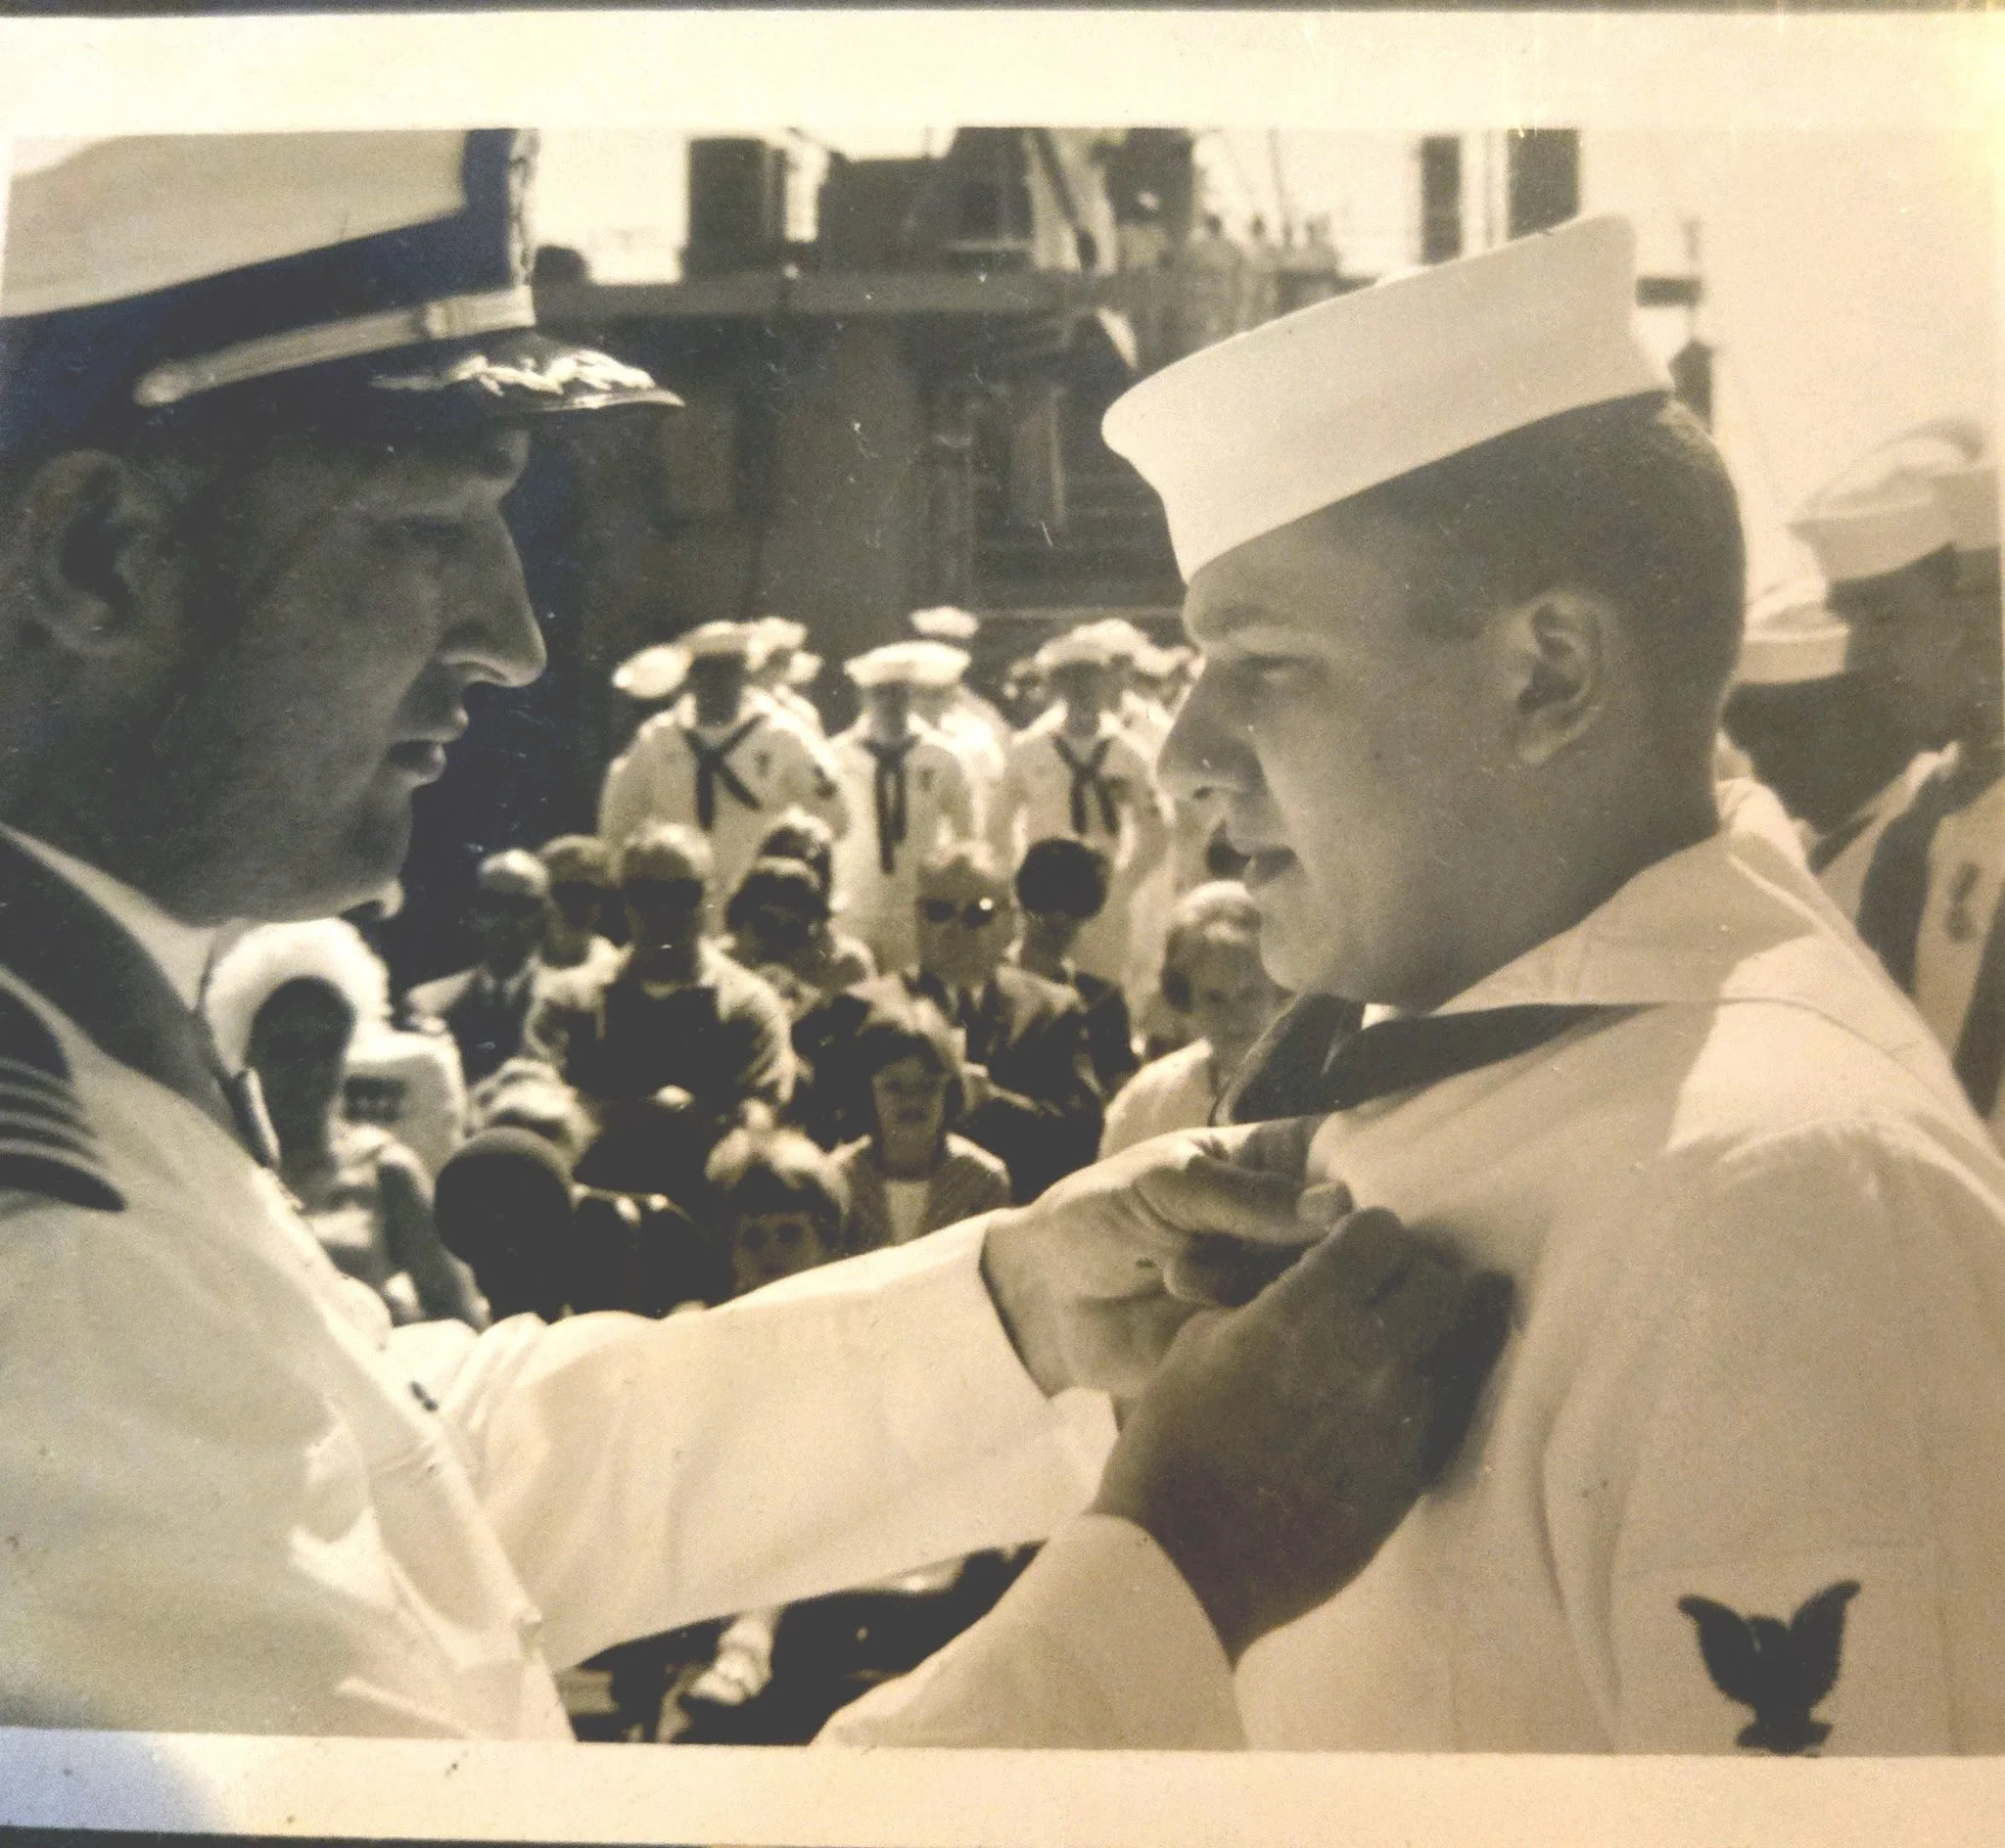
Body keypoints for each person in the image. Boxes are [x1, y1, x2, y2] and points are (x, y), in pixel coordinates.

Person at [0, 130, 1504, 1738]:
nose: (512, 636)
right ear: (105, 559)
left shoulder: (86, 1061)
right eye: (425, 529)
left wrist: (1016, 1316)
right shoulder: (50, 1269)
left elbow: (401, 1472)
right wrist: (1180, 1576)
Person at [825, 215, 2005, 1752]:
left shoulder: (1784, 1203)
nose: (1182, 758)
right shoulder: (1444, 1061)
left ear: (1549, 677)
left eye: (1263, 665)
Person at [1795, 426, 2005, 1139]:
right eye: (1853, 621)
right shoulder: (1910, 824)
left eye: (1884, 616)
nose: (1855, 656)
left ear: (1980, 613)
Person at [208, 919, 487, 1327]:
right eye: (287, 1049)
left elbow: (458, 1317)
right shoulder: (224, 1167)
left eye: (328, 1048)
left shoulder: (386, 1171)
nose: (311, 1071)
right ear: (249, 1053)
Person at [796, 843, 1105, 1200]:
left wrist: (994, 1103)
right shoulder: (860, 1010)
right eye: (938, 911)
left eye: (979, 913)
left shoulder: (1051, 1011)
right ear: (916, 917)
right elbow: (823, 1129)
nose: (957, 930)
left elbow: (1084, 1137)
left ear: (1009, 922)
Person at [528, 823, 797, 1140]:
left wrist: (694, 1121)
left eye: (682, 895)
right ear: (624, 899)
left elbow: (760, 1118)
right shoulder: (571, 999)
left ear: (709, 896)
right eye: (646, 895)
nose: (663, 911)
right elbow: (533, 1101)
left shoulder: (747, 1003)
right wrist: (635, 1115)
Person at [597, 620, 849, 921]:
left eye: (730, 669)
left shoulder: (782, 735)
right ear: (689, 677)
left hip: (759, 904)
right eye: (706, 669)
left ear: (746, 674)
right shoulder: (658, 738)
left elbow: (836, 817)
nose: (718, 681)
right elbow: (618, 821)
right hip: (678, 900)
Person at [1719, 581, 1938, 921]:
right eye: (1748, 743)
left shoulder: (1932, 832)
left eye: (1785, 740)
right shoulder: (1790, 847)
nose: (1764, 770)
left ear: (1865, 712)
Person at [989, 627, 1172, 995]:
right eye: (1069, 678)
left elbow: (1157, 827)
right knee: (1040, 986)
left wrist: (1123, 883)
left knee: (1101, 987)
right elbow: (998, 825)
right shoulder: (1030, 750)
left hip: (1102, 890)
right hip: (1043, 892)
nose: (1081, 689)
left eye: (1090, 677)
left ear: (1107, 682)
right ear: (1054, 686)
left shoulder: (1128, 753)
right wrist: (1015, 881)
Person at [1101, 883, 1286, 1156]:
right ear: (1185, 998)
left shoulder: (1321, 1087)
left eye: (1249, 995)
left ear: (1278, 989)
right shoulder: (1147, 1101)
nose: (1234, 1019)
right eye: (1214, 999)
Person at [829, 642, 977, 973]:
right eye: (879, 694)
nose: (889, 703)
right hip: (853, 901)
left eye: (898, 693)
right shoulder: (837, 755)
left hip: (916, 905)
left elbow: (967, 837)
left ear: (912, 696)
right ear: (864, 698)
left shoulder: (943, 757)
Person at [832, 994, 1013, 1252]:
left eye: (926, 1087)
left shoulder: (983, 1180)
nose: (911, 1101)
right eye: (894, 1087)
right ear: (867, 1091)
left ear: (949, 1091)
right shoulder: (839, 1178)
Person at [408, 848, 555, 1086]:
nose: (504, 920)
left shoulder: (566, 1004)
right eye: (492, 904)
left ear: (546, 917)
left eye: (521, 906)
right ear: (474, 913)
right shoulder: (429, 1004)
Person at [1012, 835, 1141, 1097]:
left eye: (1075, 906)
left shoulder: (1103, 1003)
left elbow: (1122, 1097)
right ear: (1024, 904)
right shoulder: (983, 988)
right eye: (1046, 903)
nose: (1060, 917)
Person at [723, 855, 872, 1017]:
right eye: (765, 926)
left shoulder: (847, 965)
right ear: (739, 923)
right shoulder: (720, 961)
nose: (777, 943)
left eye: (793, 932)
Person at [536, 834, 623, 979]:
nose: (576, 904)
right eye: (566, 893)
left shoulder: (615, 970)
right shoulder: (522, 967)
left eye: (587, 893)